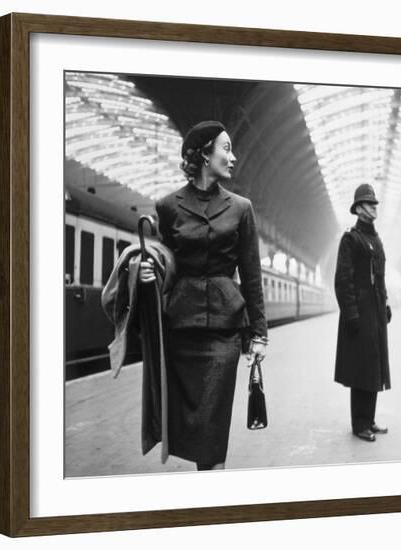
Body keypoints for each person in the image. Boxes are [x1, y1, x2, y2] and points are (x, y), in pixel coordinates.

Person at [139, 120, 268, 470]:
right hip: (181, 332)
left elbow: (252, 276)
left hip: (225, 332)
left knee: (212, 434)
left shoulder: (242, 209)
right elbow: (167, 262)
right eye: (225, 148)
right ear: (204, 154)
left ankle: (213, 494)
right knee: (194, 434)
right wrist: (150, 273)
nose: (233, 156)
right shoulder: (168, 207)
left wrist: (259, 334)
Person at [334, 183, 392, 442]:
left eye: (374, 203)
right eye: (369, 203)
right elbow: (342, 280)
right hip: (359, 314)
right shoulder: (351, 238)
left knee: (374, 366)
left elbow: (380, 277)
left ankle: (369, 419)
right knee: (361, 369)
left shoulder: (375, 239)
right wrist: (352, 314)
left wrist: (386, 303)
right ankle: (359, 425)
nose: (374, 206)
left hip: (376, 312)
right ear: (358, 209)